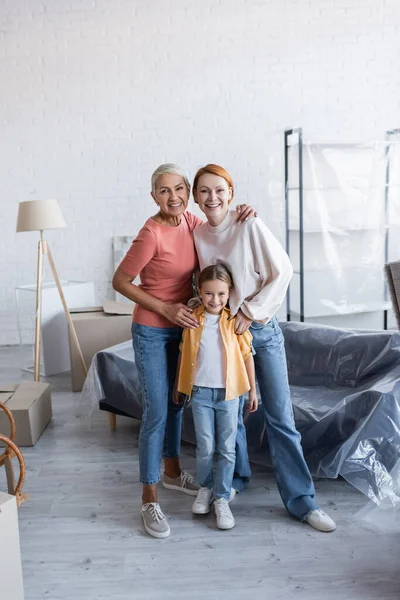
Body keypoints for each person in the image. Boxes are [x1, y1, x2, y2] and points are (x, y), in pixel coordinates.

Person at [191, 164, 337, 533]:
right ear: (195, 196)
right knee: (231, 417)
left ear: (231, 193)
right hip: (223, 336)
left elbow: (283, 271)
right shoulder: (197, 234)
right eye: (204, 191)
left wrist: (250, 312)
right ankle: (235, 480)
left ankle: (303, 502)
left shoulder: (248, 225)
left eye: (220, 190)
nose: (213, 198)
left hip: (259, 331)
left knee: (280, 418)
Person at [112, 163, 255, 539]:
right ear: (153, 196)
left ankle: (173, 473)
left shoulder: (191, 222)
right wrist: (164, 308)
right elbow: (120, 281)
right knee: (157, 411)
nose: (173, 197)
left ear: (187, 193)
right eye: (164, 191)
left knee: (178, 402)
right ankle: (149, 497)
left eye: (179, 189)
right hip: (152, 329)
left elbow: (220, 232)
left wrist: (244, 215)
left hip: (186, 329)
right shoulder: (151, 233)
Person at [174, 264, 258, 530]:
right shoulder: (192, 320)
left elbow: (247, 356)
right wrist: (179, 386)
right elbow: (183, 353)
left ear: (229, 292)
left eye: (221, 294)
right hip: (199, 393)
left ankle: (222, 498)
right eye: (209, 294)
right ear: (200, 291)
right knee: (205, 446)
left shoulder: (235, 321)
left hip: (229, 395)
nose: (215, 300)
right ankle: (205, 488)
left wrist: (253, 390)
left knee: (226, 447)